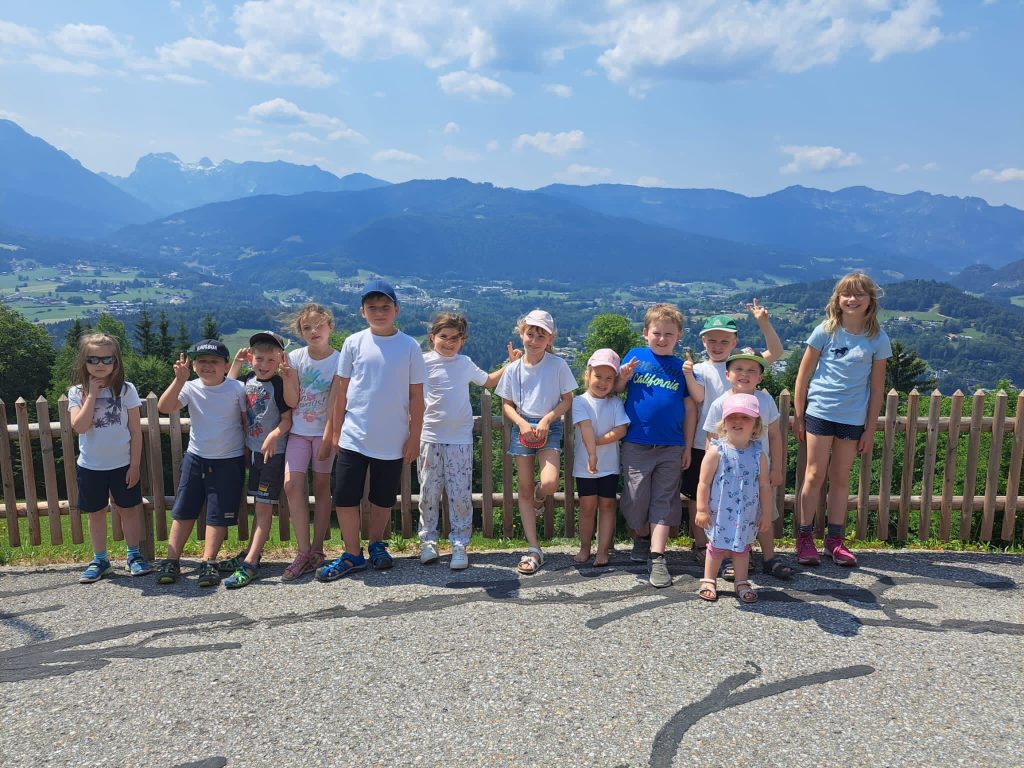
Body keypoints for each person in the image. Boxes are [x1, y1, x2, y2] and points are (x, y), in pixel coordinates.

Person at [315, 279, 427, 581]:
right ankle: (353, 553)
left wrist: (415, 437)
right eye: (372, 308)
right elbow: (341, 391)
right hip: (354, 435)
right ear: (363, 312)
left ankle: (377, 544)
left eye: (385, 307)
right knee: (346, 497)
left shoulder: (410, 347)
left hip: (393, 439)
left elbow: (417, 396)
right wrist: (336, 432)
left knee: (382, 499)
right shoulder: (353, 342)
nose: (379, 312)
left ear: (397, 310)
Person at [794, 272, 891, 567]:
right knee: (813, 475)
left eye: (860, 294)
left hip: (852, 418)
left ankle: (834, 541)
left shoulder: (878, 338)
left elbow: (877, 389)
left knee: (840, 478)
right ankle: (804, 537)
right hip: (820, 412)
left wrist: (869, 430)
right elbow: (803, 376)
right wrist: (799, 416)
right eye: (847, 294)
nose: (852, 299)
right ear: (837, 299)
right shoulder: (825, 331)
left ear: (870, 300)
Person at [418, 312, 520, 570]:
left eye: (455, 338)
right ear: (433, 337)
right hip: (429, 435)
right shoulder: (421, 362)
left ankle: (460, 544)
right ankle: (428, 541)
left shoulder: (464, 363)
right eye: (443, 337)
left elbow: (488, 380)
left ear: (462, 340)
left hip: (460, 439)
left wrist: (510, 364)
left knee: (460, 495)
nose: (449, 342)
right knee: (428, 491)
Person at [683, 302, 783, 564]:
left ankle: (759, 557)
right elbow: (700, 413)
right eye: (712, 340)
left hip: (756, 460)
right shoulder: (702, 371)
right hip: (719, 453)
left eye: (724, 340)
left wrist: (763, 322)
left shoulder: (746, 366)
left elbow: (776, 352)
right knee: (715, 505)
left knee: (758, 509)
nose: (717, 345)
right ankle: (712, 551)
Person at [615, 303, 702, 588]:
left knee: (664, 499)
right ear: (645, 333)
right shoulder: (635, 357)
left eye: (669, 334)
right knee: (635, 498)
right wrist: (623, 378)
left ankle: (657, 555)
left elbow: (692, 408)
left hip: (671, 445)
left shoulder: (680, 368)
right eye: (657, 333)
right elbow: (614, 390)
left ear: (678, 337)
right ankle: (640, 536)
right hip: (636, 443)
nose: (662, 338)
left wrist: (687, 446)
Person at [156, 340, 247, 587]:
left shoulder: (237, 389)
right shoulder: (190, 387)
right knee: (184, 508)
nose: (208, 366)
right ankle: (171, 560)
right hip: (196, 457)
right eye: (202, 361)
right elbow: (164, 407)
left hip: (229, 459)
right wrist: (179, 380)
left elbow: (245, 421)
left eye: (214, 362)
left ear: (226, 365)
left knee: (217, 513)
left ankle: (209, 561)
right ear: (194, 365)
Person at [495, 309, 577, 575]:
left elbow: (567, 399)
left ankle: (541, 501)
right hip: (523, 426)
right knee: (525, 487)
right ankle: (534, 548)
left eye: (540, 335)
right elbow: (506, 404)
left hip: (549, 426)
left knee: (550, 482)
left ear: (550, 339)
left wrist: (547, 420)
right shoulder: (513, 369)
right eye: (530, 333)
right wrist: (521, 422)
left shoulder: (558, 365)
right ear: (522, 334)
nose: (534, 339)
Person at [67, 333, 152, 582]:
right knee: (96, 512)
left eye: (107, 359)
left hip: (123, 464)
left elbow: (135, 431)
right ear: (84, 362)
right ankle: (100, 559)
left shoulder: (126, 390)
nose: (100, 364)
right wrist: (91, 395)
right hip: (91, 466)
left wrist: (135, 465)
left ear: (116, 361)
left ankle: (134, 555)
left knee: (129, 510)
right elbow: (80, 426)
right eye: (93, 359)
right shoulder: (76, 392)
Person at [702, 349, 792, 580]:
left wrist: (777, 468)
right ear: (728, 374)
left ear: (760, 377)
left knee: (764, 514)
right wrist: (711, 471)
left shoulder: (765, 400)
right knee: (726, 516)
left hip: (758, 471)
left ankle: (769, 557)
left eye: (752, 370)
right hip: (728, 474)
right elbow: (711, 439)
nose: (745, 374)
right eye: (739, 369)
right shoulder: (720, 403)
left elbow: (774, 436)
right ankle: (731, 560)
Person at [218, 331, 293, 588]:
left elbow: (287, 420)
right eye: (259, 359)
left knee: (263, 509)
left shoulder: (280, 385)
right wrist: (238, 363)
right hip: (254, 452)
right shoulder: (249, 378)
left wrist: (273, 436)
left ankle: (250, 563)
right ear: (251, 359)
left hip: (272, 455)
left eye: (270, 361)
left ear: (280, 360)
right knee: (258, 506)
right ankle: (251, 554)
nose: (263, 366)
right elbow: (228, 386)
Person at [280, 304, 339, 580]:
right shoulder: (294, 358)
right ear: (300, 332)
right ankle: (303, 551)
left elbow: (339, 405)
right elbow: (291, 402)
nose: (313, 331)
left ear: (331, 327)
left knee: (322, 486)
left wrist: (330, 437)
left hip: (325, 432)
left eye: (319, 325)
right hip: (300, 431)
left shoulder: (340, 361)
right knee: (292, 485)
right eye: (307, 327)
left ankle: (317, 549)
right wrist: (288, 378)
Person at [695, 393, 772, 604]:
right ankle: (709, 579)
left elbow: (765, 486)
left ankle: (741, 581)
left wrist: (765, 513)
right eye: (732, 417)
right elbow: (703, 483)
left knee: (743, 548)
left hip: (746, 511)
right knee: (717, 547)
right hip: (720, 511)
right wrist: (701, 509)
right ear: (724, 422)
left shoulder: (759, 454)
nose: (738, 421)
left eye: (745, 417)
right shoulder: (716, 451)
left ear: (755, 425)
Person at [571, 348, 629, 567]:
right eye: (598, 376)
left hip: (610, 466)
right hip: (585, 465)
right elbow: (585, 427)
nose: (603, 382)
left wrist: (595, 445)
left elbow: (621, 430)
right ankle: (585, 546)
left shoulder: (615, 403)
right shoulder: (580, 401)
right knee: (587, 508)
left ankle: (603, 550)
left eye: (609, 378)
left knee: (607, 506)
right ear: (588, 375)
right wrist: (593, 453)